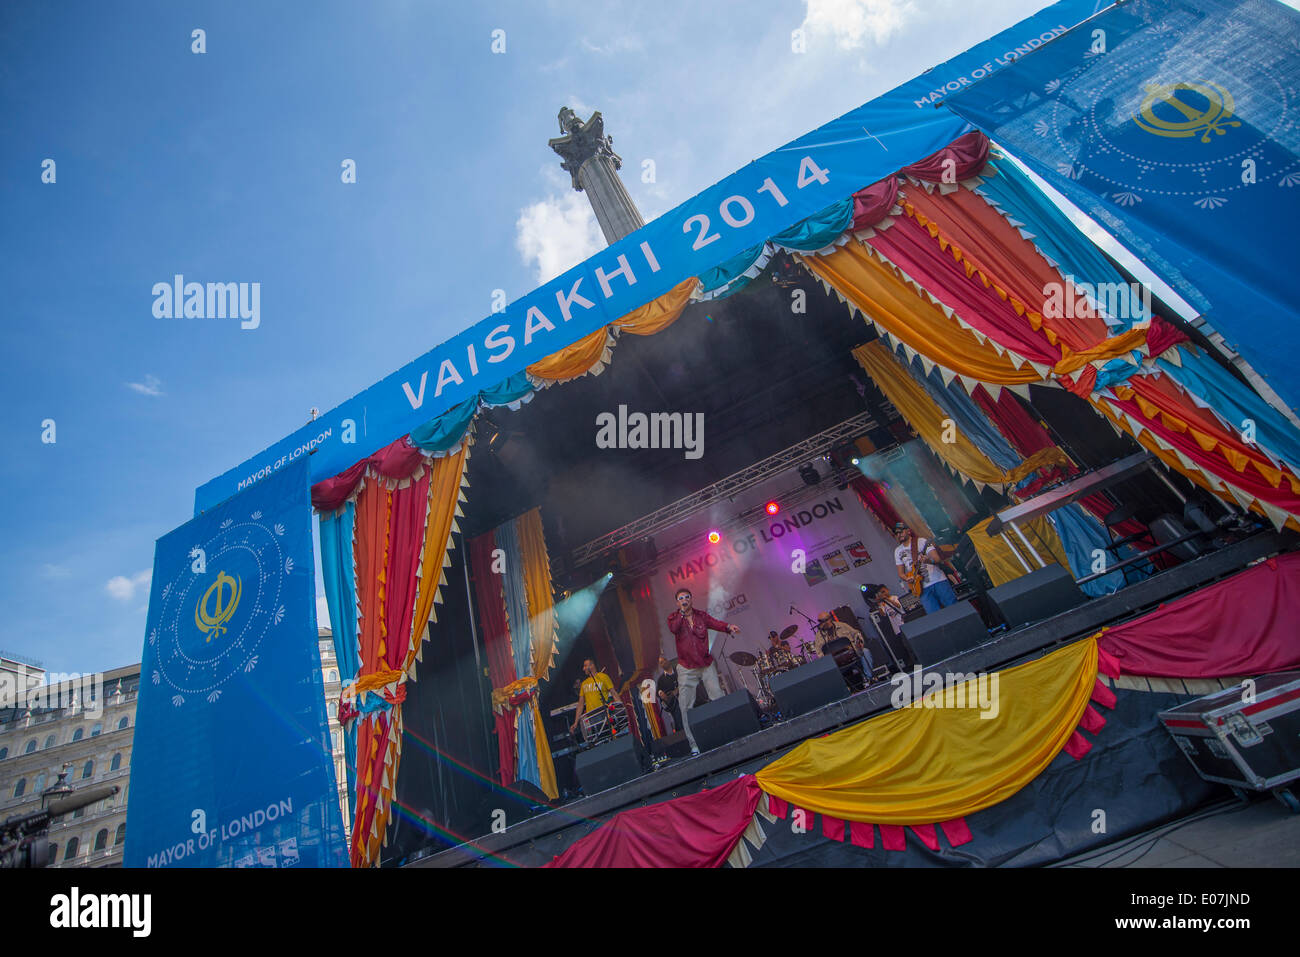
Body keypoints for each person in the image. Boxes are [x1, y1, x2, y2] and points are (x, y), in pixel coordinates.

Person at [666, 587, 739, 755]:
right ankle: (694, 744)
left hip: (705, 664)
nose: (684, 600)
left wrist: (728, 627)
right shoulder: (674, 617)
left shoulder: (701, 616)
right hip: (686, 668)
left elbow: (715, 623)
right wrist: (683, 613)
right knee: (686, 707)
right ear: (678, 602)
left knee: (718, 697)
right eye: (681, 598)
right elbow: (674, 628)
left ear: (691, 599)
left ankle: (727, 732)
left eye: (687, 597)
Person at [893, 522, 958, 613]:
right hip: (920, 587)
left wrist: (928, 561)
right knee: (935, 616)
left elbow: (937, 559)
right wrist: (907, 578)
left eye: (901, 531)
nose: (899, 534)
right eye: (896, 533)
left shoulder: (921, 541)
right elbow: (901, 573)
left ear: (908, 531)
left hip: (938, 580)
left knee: (954, 608)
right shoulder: (897, 551)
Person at [813, 611, 873, 675]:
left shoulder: (842, 625)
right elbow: (819, 653)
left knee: (865, 651)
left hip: (851, 653)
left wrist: (859, 642)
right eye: (821, 621)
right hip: (834, 661)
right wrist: (827, 660)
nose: (824, 623)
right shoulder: (818, 636)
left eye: (825, 620)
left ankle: (869, 678)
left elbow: (856, 633)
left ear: (830, 618)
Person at [570, 658, 616, 739]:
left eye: (585, 666)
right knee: (598, 739)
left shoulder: (603, 677)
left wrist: (620, 707)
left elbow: (613, 693)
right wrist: (576, 722)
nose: (583, 669)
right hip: (592, 717)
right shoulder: (584, 684)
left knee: (610, 736)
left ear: (592, 665)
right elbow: (580, 704)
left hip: (604, 713)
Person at [654, 655, 681, 733]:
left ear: (668, 660)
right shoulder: (661, 679)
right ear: (660, 666)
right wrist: (661, 693)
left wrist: (678, 689)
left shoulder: (678, 670)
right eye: (661, 663)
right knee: (679, 721)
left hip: (686, 699)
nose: (664, 663)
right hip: (674, 705)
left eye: (664, 660)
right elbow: (657, 692)